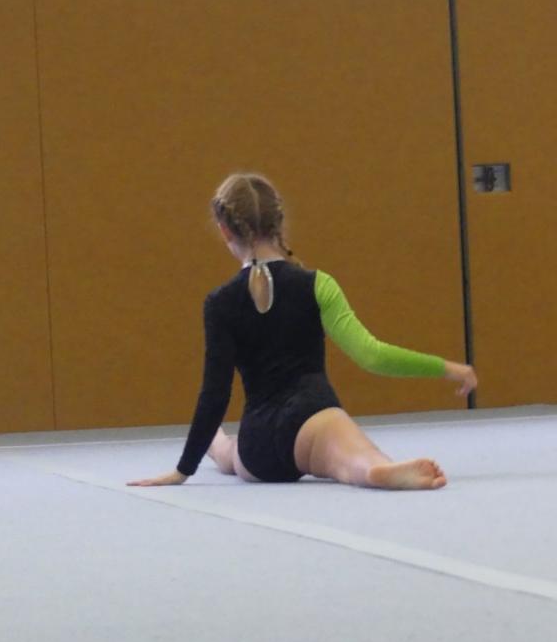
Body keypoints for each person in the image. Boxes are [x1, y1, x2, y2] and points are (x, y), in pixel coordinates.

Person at [128, 173, 477, 490]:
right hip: (312, 418)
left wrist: (182, 470)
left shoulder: (219, 302)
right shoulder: (316, 284)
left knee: (229, 454)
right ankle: (374, 469)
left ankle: (214, 443)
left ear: (225, 230)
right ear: (279, 221)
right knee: (351, 456)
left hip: (257, 446)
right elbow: (372, 355)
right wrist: (447, 368)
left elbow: (215, 394)